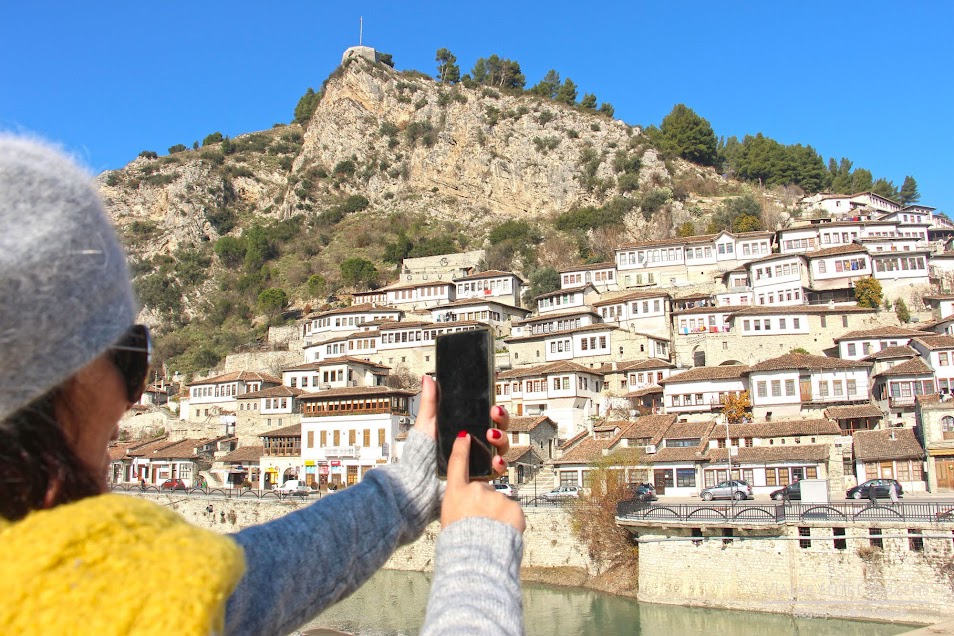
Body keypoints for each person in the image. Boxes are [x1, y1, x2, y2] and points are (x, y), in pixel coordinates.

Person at [0, 135, 525, 635]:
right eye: (132, 358)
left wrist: (415, 482)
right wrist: (478, 552)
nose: (129, 399)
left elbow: (265, 579)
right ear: (72, 376)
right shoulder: (115, 588)